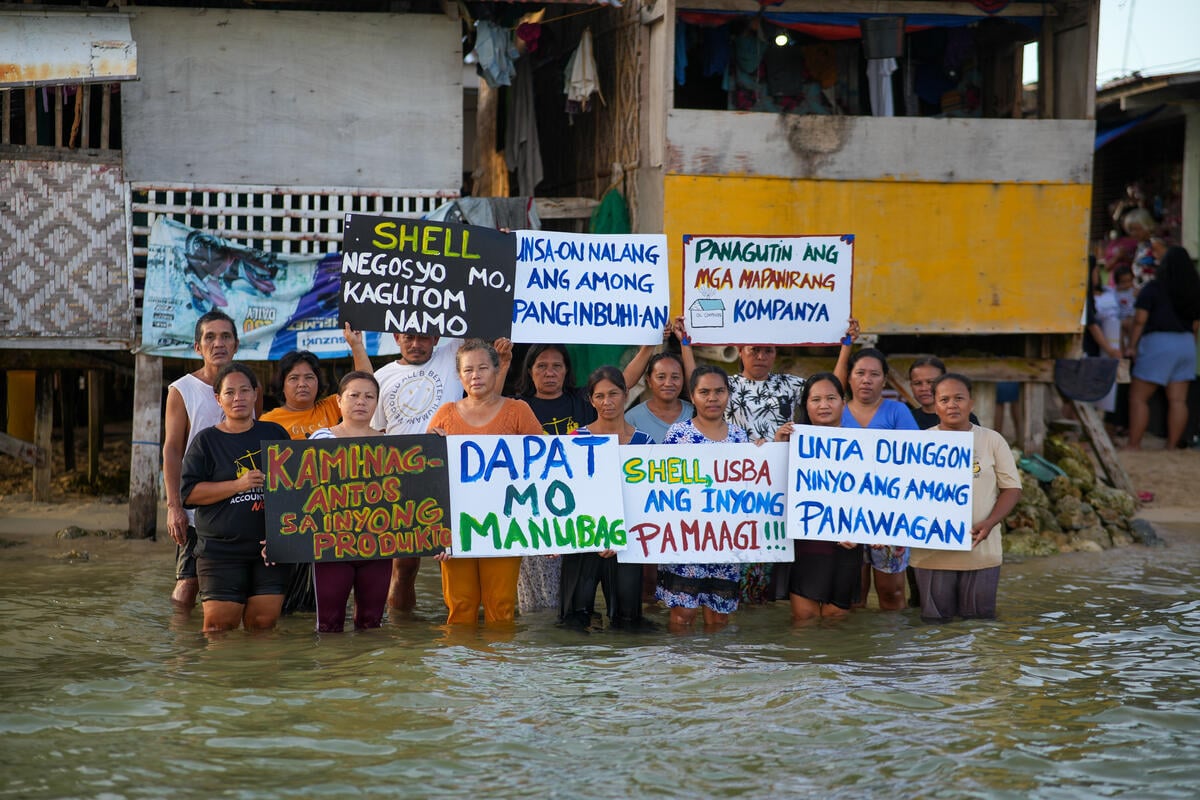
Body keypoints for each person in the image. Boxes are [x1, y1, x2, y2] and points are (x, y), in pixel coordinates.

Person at [372, 331, 512, 615]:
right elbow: (377, 432)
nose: (415, 344)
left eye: (424, 337)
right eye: (408, 337)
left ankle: (466, 625)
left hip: (455, 478)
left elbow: (469, 319)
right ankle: (403, 633)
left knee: (454, 554)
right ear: (396, 338)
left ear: (437, 339)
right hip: (403, 480)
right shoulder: (380, 376)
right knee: (404, 565)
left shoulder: (451, 357)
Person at [723, 319, 858, 604]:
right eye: (754, 349)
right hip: (740, 484)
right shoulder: (725, 386)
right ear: (739, 350)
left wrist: (845, 347)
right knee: (744, 569)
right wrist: (685, 346)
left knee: (777, 568)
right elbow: (696, 386)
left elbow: (827, 391)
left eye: (768, 350)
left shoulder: (790, 384)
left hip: (785, 484)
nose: (761, 355)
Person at [428, 340, 544, 624]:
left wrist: (545, 531)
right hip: (457, 527)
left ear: (497, 370)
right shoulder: (445, 415)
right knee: (460, 606)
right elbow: (428, 479)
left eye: (482, 368)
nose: (475, 375)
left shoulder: (519, 411)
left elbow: (544, 468)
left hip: (506, 526)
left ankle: (500, 666)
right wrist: (435, 533)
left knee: (501, 607)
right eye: (468, 370)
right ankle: (459, 666)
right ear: (459, 375)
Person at [180, 364, 290, 633]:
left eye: (244, 391)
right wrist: (237, 485)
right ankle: (221, 676)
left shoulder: (275, 434)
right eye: (230, 392)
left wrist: (284, 537)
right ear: (218, 399)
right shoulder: (206, 441)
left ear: (256, 394)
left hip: (270, 550)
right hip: (220, 551)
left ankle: (261, 676)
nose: (238, 398)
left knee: (263, 625)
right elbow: (189, 494)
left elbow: (295, 491)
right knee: (219, 628)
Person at [163, 310, 256, 613]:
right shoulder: (182, 390)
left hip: (243, 502)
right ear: (197, 347)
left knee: (242, 587)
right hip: (198, 504)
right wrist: (174, 506)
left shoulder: (250, 388)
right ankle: (181, 650)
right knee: (188, 583)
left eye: (226, 336)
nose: (218, 343)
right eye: (210, 337)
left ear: (236, 344)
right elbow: (172, 450)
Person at [910, 374, 1022, 622]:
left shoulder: (992, 440)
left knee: (980, 627)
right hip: (932, 553)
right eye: (944, 399)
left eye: (959, 398)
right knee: (935, 630)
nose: (952, 405)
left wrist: (990, 522)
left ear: (971, 403)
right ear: (935, 405)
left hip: (981, 550)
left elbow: (1012, 489)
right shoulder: (919, 443)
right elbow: (900, 493)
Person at [559, 366, 653, 630]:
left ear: (626, 394)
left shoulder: (646, 445)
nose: (607, 402)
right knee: (573, 621)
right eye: (599, 396)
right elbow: (564, 495)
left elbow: (650, 501)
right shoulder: (575, 439)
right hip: (582, 540)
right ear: (590, 400)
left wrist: (622, 534)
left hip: (627, 543)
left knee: (628, 621)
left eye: (613, 393)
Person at [657, 365, 749, 632]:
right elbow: (663, 486)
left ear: (728, 394)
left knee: (719, 619)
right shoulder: (678, 435)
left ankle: (716, 672)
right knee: (682, 615)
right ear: (692, 396)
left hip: (727, 542)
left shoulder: (740, 438)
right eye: (705, 392)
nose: (712, 398)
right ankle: (683, 672)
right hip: (688, 540)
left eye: (719, 391)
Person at [513, 343, 596, 615]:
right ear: (530, 371)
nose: (550, 372)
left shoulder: (584, 404)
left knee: (575, 600)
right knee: (536, 602)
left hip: (580, 511)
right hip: (532, 514)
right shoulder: (516, 408)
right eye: (542, 366)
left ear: (567, 371)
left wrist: (646, 348)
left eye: (557, 366)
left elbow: (620, 386)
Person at [307, 371, 392, 632]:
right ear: (338, 401)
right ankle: (333, 672)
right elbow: (301, 496)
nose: (361, 402)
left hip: (378, 544)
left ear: (377, 403)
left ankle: (368, 672)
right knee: (329, 624)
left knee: (371, 623)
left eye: (369, 396)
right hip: (331, 546)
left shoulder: (392, 444)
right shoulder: (321, 439)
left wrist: (436, 439)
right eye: (353, 395)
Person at [774, 372, 862, 621]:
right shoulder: (790, 442)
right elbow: (773, 489)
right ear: (806, 405)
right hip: (807, 542)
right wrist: (775, 448)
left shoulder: (865, 444)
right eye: (816, 399)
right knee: (805, 619)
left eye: (831, 398)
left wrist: (864, 532)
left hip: (848, 542)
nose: (824, 405)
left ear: (843, 402)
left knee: (836, 618)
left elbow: (876, 495)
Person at [841, 347, 919, 611]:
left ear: (884, 380)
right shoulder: (835, 412)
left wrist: (888, 520)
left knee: (892, 593)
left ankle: (892, 649)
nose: (866, 379)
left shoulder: (898, 412)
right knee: (854, 596)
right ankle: (858, 650)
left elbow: (916, 462)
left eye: (874, 374)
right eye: (860, 373)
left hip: (890, 513)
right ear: (849, 377)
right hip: (844, 515)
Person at [1127, 245, 1200, 449]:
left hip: (1158, 343)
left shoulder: (1153, 289)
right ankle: (1171, 445)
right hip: (1186, 344)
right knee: (1178, 400)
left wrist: (1132, 346)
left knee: (1138, 397)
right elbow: (1196, 325)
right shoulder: (1194, 291)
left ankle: (1134, 444)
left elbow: (1140, 320)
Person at [260, 326, 371, 438]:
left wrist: (356, 345)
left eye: (309, 377)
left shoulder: (333, 406)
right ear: (282, 385)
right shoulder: (268, 422)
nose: (302, 384)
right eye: (294, 378)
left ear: (318, 382)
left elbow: (365, 385)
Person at [623, 317, 697, 444]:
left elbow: (696, 385)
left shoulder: (695, 414)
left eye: (675, 377)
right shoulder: (632, 418)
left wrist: (684, 343)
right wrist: (653, 340)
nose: (668, 383)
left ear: (683, 379)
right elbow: (623, 384)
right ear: (649, 381)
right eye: (661, 377)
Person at [908, 356, 980, 430]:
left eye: (931, 382)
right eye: (917, 383)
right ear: (911, 386)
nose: (924, 388)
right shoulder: (906, 418)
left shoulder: (964, 417)